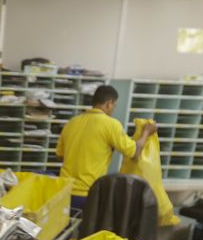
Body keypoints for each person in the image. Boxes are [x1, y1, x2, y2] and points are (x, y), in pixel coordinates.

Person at [57, 85, 156, 213]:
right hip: (88, 193)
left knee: (67, 225)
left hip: (64, 192)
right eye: (114, 105)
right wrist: (146, 133)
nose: (113, 108)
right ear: (109, 103)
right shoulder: (110, 124)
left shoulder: (72, 123)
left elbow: (60, 156)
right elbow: (134, 153)